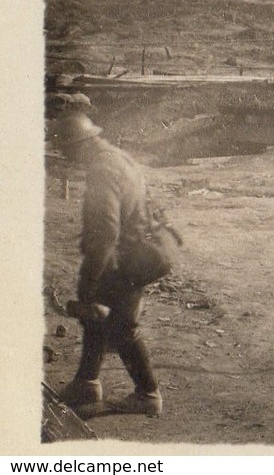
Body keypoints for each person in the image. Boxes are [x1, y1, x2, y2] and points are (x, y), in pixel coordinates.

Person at [49, 110, 164, 418]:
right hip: (132, 251)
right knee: (95, 319)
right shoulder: (117, 156)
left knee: (121, 327)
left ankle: (147, 394)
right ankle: (87, 382)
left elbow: (104, 234)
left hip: (123, 259)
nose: (66, 156)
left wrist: (88, 281)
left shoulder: (102, 169)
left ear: (78, 145)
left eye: (67, 149)